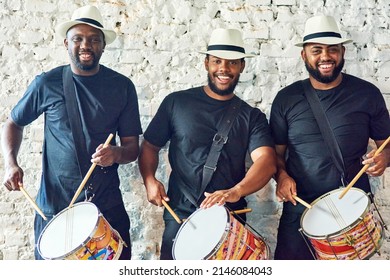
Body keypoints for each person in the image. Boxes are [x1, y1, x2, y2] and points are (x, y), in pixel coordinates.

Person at [1, 5, 142, 260]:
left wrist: (116, 153)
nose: (85, 45)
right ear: (67, 42)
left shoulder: (122, 87)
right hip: (56, 207)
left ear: (103, 46)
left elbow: (133, 149)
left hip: (105, 205)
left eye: (94, 39)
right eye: (78, 38)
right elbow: (13, 123)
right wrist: (11, 164)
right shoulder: (46, 83)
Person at [138, 28, 277, 260]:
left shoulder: (252, 116)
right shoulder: (176, 103)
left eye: (232, 63)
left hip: (229, 217)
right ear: (206, 64)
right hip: (179, 213)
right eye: (217, 61)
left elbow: (266, 160)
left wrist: (236, 191)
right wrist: (150, 180)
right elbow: (150, 146)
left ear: (242, 66)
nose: (224, 68)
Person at [270, 15, 390, 260]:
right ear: (304, 55)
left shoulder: (367, 94)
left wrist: (384, 158)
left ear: (342, 52)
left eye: (332, 49)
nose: (325, 56)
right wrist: (281, 176)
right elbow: (275, 154)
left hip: (352, 205)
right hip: (300, 206)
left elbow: (386, 145)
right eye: (317, 50)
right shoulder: (286, 99)